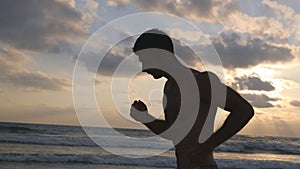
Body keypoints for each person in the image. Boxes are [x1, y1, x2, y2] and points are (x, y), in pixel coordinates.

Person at [130, 29, 254, 169]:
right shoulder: (169, 88)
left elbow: (244, 110)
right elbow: (174, 133)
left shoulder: (199, 82)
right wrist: (145, 117)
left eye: (144, 60)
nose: (143, 68)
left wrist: (207, 147)